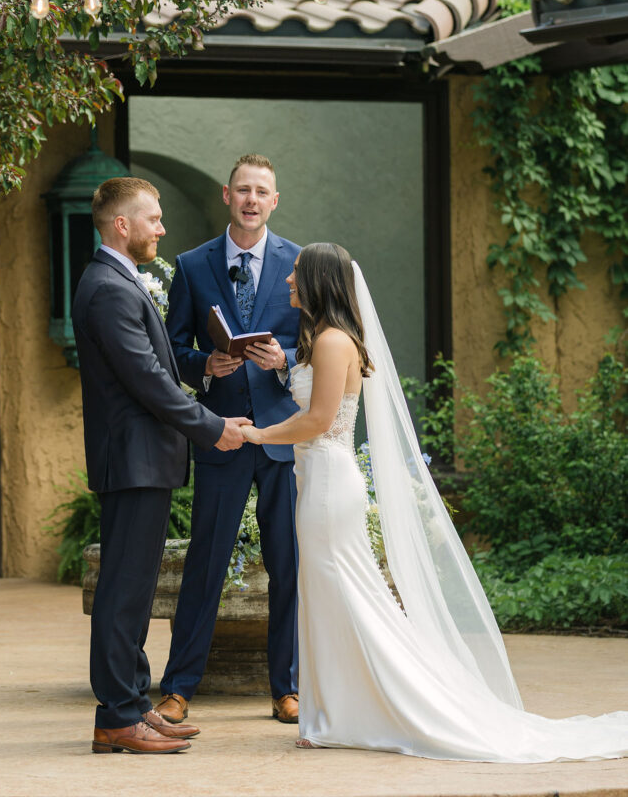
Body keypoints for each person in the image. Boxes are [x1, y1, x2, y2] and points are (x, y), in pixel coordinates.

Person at [240, 242, 628, 761]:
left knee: (347, 596)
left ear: (317, 283)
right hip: (319, 480)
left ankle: (375, 708)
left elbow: (320, 421)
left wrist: (257, 436)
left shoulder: (333, 342)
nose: (288, 282)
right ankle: (330, 713)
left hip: (329, 484)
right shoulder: (324, 341)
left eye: (296, 275)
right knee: (328, 596)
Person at [72, 177, 251, 755]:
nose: (162, 229)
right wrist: (213, 427)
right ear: (121, 225)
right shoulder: (108, 288)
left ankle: (133, 707)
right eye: (153, 218)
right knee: (124, 591)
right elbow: (147, 382)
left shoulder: (119, 281)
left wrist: (205, 368)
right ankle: (117, 718)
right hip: (133, 459)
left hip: (142, 459)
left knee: (135, 589)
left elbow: (160, 364)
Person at [156, 154, 302, 726]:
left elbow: (316, 342)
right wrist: (206, 365)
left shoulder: (298, 262)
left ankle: (285, 687)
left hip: (282, 438)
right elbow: (171, 350)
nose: (251, 199)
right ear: (226, 195)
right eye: (242, 189)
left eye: (261, 191)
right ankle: (179, 686)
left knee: (286, 565)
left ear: (274, 201)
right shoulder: (192, 264)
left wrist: (284, 357)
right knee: (205, 564)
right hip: (220, 436)